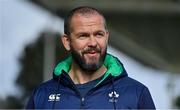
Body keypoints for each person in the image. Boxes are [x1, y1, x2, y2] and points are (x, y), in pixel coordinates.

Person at [26, 6, 155, 109]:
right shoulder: (41, 95)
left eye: (99, 34)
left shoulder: (136, 93)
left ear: (107, 36)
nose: (93, 43)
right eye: (83, 36)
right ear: (67, 42)